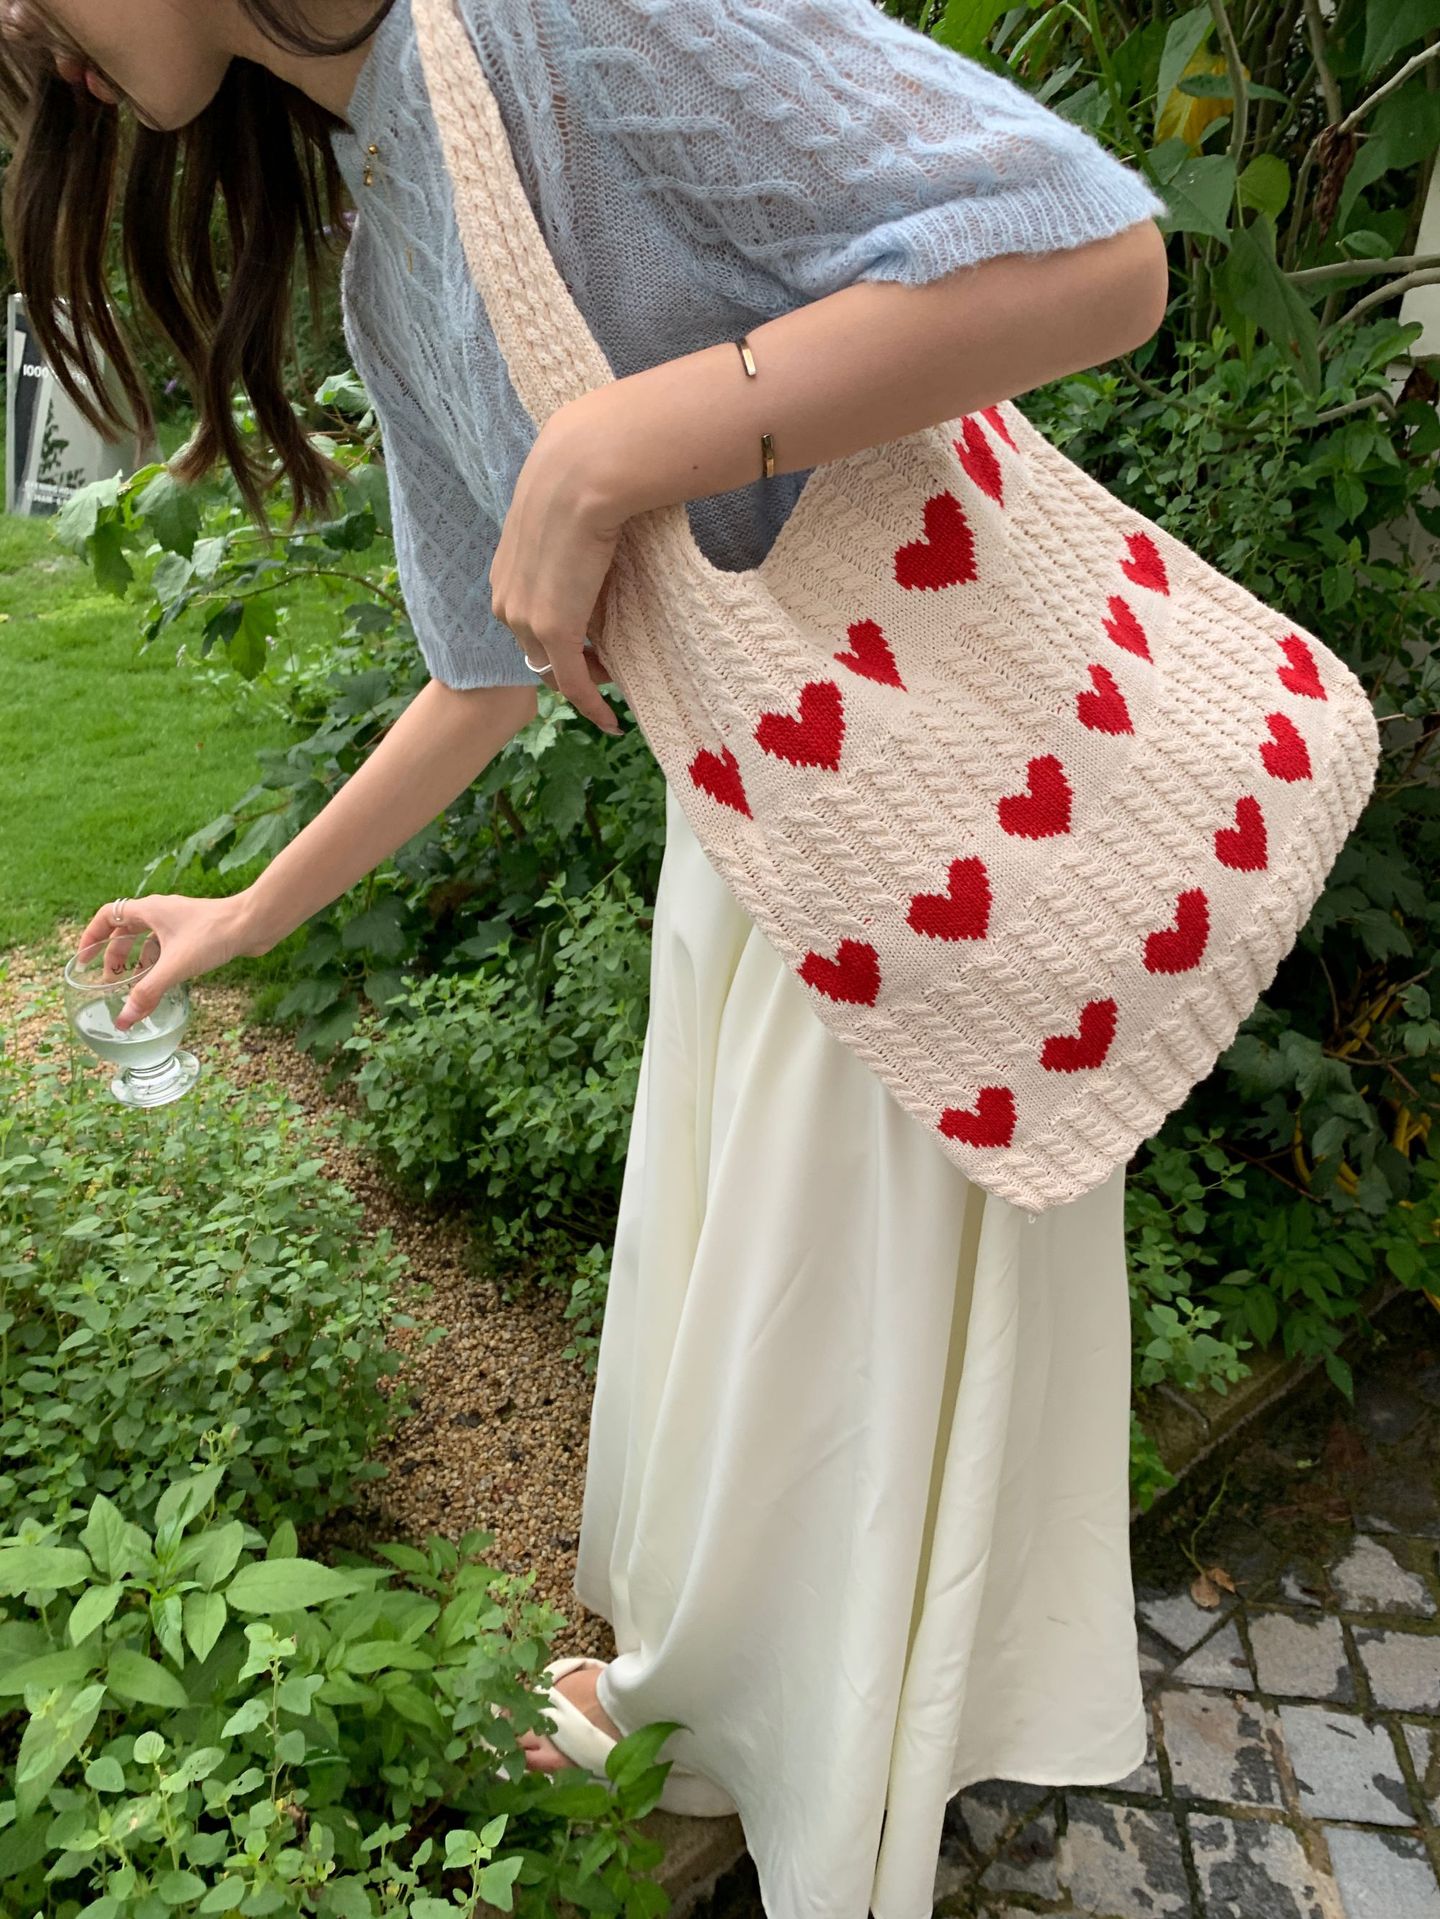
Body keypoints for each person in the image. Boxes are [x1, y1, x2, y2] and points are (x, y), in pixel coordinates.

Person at [2, 0, 1171, 1910]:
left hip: (924, 816)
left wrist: (612, 449)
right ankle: (763, 1736)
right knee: (801, 1351)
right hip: (772, 839)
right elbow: (480, 677)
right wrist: (246, 914)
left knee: (830, 1361)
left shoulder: (562, 19)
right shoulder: (390, 215)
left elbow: (1094, 249)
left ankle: (817, 1794)